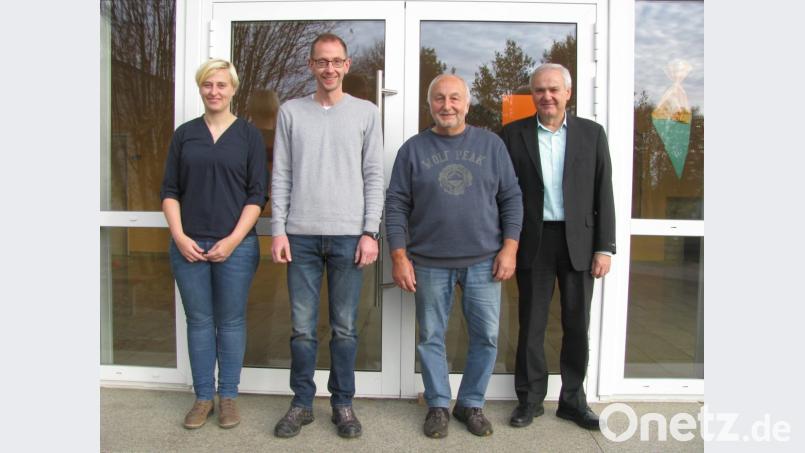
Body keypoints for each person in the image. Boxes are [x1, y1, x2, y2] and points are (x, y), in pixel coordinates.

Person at [385, 74, 523, 439]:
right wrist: (399, 256)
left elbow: (512, 198)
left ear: (467, 103)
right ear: (429, 104)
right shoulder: (412, 150)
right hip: (429, 261)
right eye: (440, 99)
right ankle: (438, 405)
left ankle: (471, 403)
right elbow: (396, 205)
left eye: (455, 98)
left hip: (484, 260)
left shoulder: (491, 145)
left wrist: (510, 248)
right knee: (431, 336)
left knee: (486, 336)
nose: (447, 105)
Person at [270, 33, 384, 439]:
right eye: (322, 61)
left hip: (349, 238)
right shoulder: (290, 112)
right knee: (301, 329)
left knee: (345, 328)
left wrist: (371, 232)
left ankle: (343, 404)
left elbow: (374, 176)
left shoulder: (366, 113)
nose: (329, 69)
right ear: (310, 65)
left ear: (348, 65)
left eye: (336, 61)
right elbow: (281, 173)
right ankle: (301, 404)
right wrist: (278, 229)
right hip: (299, 236)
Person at [499, 63, 616, 431]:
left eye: (553, 89)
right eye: (539, 90)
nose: (546, 96)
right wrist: (507, 243)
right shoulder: (512, 135)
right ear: (531, 95)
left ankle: (572, 400)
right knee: (531, 323)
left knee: (576, 324)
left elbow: (604, 192)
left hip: (579, 243)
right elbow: (502, 194)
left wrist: (605, 247)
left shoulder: (592, 134)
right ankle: (530, 400)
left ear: (568, 93)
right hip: (534, 241)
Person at [160, 59, 268, 430]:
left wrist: (233, 240)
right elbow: (170, 191)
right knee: (200, 322)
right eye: (208, 85)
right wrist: (179, 236)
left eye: (221, 85)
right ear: (200, 88)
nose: (214, 91)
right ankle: (203, 397)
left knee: (232, 321)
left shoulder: (249, 136)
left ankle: (229, 399)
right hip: (189, 244)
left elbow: (257, 195)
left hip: (235, 247)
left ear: (233, 89)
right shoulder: (185, 135)